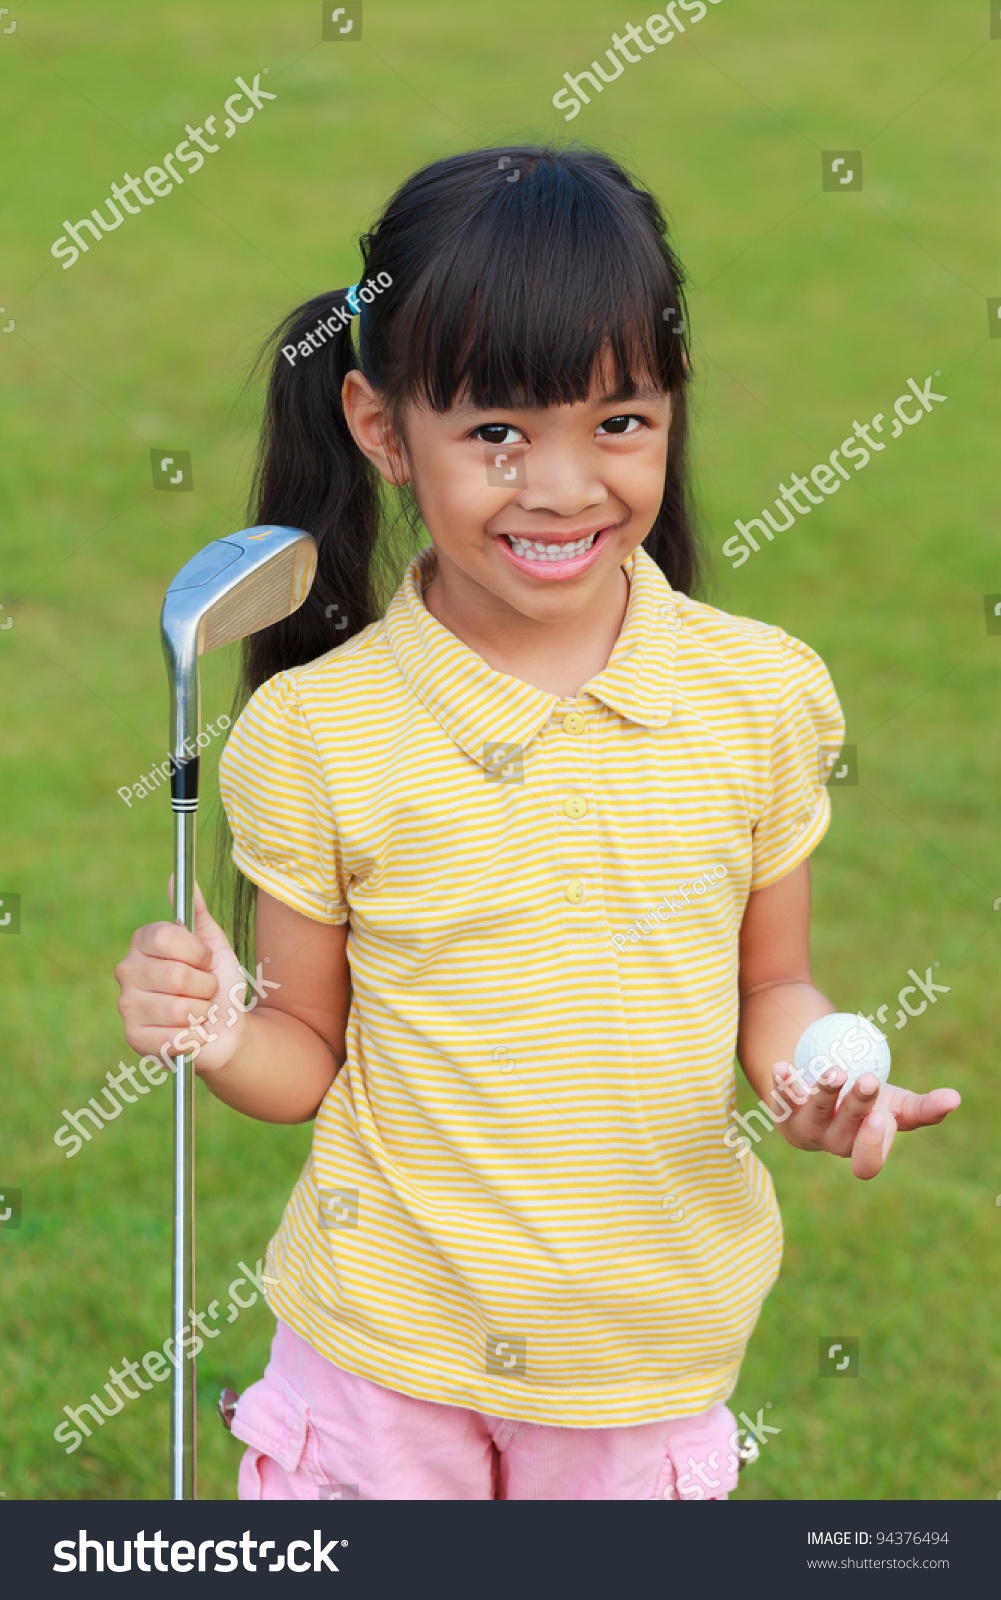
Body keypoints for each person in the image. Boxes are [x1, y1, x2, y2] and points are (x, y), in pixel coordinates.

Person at [114, 145, 961, 1501]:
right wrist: (218, 1028)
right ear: (384, 429)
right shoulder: (318, 731)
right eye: (497, 434)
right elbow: (302, 1057)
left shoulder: (755, 695)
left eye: (617, 423)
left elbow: (770, 979)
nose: (564, 487)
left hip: (643, 1359)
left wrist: (807, 1076)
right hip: (380, 1354)